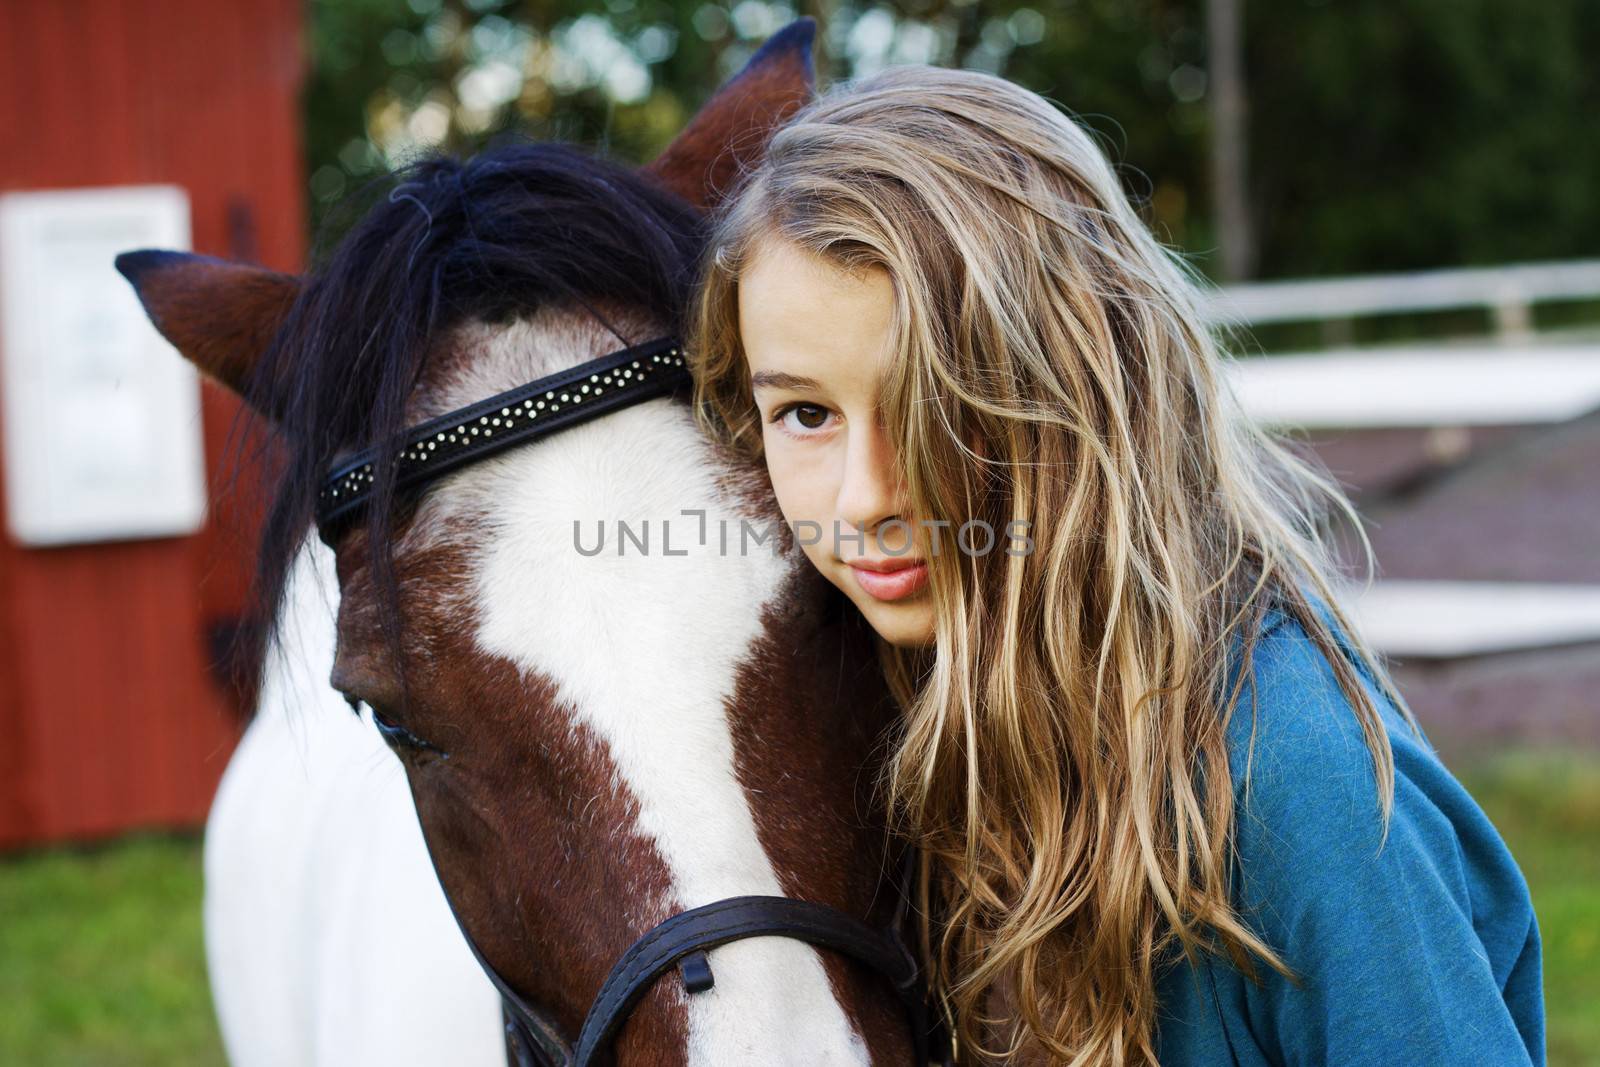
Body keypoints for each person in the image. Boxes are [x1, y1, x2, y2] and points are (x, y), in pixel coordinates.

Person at [686, 63, 1545, 1065]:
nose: (864, 496)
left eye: (939, 401)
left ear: (1087, 387)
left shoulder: (1295, 782)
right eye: (804, 413)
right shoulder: (868, 706)